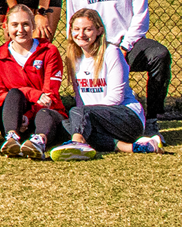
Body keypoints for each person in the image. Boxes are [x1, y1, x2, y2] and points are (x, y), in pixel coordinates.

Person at [65, 0, 171, 137]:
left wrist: (124, 46)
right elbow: (73, 18)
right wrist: (76, 49)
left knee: (159, 55)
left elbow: (141, 13)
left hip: (126, 46)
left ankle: (152, 119)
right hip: (93, 47)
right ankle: (87, 120)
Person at [47, 8, 162, 161]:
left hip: (127, 116)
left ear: (99, 30)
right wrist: (84, 118)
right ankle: (138, 147)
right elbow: (80, 99)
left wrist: (86, 115)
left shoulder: (112, 52)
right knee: (66, 126)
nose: (81, 34)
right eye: (76, 29)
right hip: (96, 118)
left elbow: (116, 97)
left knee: (78, 115)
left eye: (87, 29)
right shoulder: (74, 58)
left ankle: (77, 143)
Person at [0, 5, 67, 159]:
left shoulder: (49, 51)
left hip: (44, 116)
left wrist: (29, 115)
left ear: (33, 25)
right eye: (15, 25)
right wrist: (32, 94)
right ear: (6, 27)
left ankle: (38, 143)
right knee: (13, 94)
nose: (20, 30)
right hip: (17, 120)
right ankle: (11, 138)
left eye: (25, 24)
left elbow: (50, 96)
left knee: (44, 114)